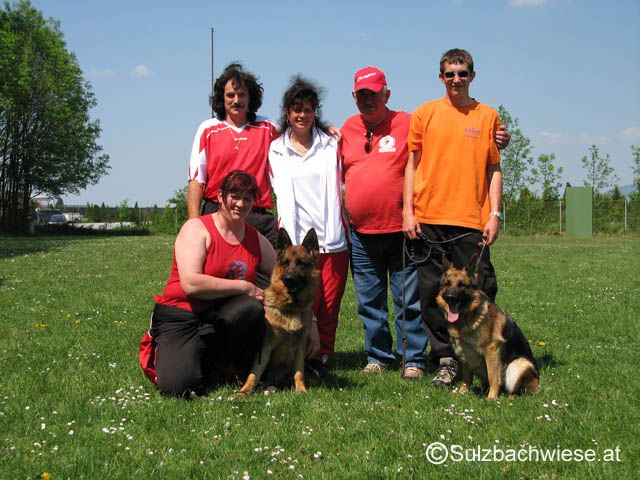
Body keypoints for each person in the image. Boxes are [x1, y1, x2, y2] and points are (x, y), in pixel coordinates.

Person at [403, 48, 504, 389]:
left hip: (471, 220)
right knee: (433, 292)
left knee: (481, 287)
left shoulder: (488, 116)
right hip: (429, 217)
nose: (456, 79)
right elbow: (412, 165)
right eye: (450, 74)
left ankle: (480, 351)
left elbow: (494, 169)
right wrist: (408, 211)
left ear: (472, 76)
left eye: (462, 73)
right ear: (441, 77)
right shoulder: (425, 113)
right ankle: (447, 360)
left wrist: (494, 214)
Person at [150, 170, 280, 397]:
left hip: (223, 315)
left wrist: (309, 320)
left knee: (251, 308)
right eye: (234, 196)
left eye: (247, 199)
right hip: (182, 313)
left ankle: (229, 362)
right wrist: (244, 287)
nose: (240, 204)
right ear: (220, 196)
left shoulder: (256, 240)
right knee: (178, 388)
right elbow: (191, 284)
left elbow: (284, 276)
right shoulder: (196, 229)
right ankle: (201, 357)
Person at [340, 66, 429, 378]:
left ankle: (412, 359)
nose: (368, 100)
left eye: (374, 94)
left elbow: (441, 139)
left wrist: (495, 137)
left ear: (386, 94)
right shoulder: (347, 129)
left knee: (408, 300)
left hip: (402, 230)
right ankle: (378, 356)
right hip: (361, 234)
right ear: (354, 97)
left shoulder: (407, 122)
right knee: (369, 302)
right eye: (361, 95)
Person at [269, 76, 349, 377]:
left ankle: (320, 359)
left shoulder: (332, 144)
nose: (302, 115)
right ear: (287, 112)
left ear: (316, 112)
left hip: (331, 238)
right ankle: (293, 357)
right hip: (295, 243)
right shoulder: (275, 149)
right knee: (298, 301)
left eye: (308, 109)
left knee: (328, 306)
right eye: (296, 109)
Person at [187, 63, 279, 247]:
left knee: (275, 263)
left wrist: (324, 129)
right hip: (217, 213)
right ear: (222, 98)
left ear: (250, 98)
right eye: (230, 95)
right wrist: (194, 224)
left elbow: (300, 138)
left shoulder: (268, 128)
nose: (236, 100)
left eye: (242, 95)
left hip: (256, 215)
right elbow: (197, 180)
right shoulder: (207, 129)